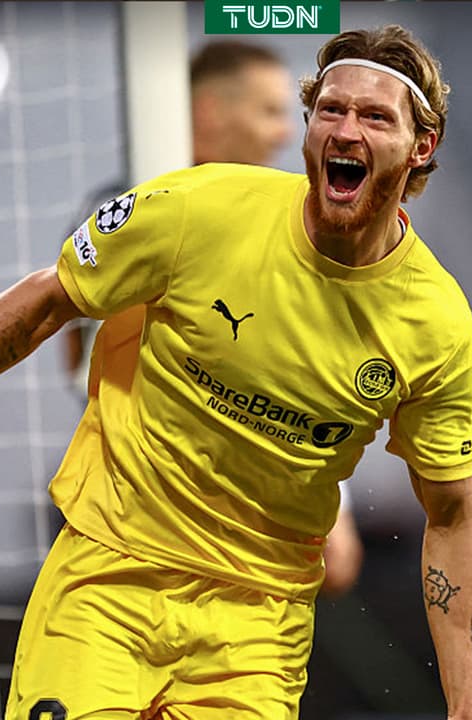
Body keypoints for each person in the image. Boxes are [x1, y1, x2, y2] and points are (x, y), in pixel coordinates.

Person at [0, 25, 472, 720]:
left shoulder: (437, 324)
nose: (345, 130)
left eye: (375, 117)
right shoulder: (199, 207)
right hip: (110, 574)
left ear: (421, 146)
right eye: (330, 109)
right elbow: (48, 301)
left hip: (257, 621)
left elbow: (453, 513)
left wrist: (466, 706)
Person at [64, 39, 364, 597]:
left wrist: (335, 503)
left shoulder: (290, 226)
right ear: (208, 111)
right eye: (270, 111)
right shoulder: (131, 210)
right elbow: (81, 356)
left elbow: (300, 374)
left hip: (250, 517)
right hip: (136, 511)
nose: (286, 134)